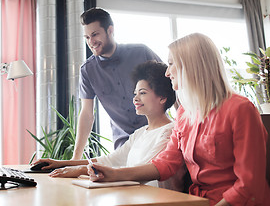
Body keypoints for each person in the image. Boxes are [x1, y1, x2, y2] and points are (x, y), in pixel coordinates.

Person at [87, 33, 270, 206]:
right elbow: (165, 163)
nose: (167, 73)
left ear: (192, 66)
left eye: (171, 64)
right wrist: (113, 174)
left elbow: (248, 183)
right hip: (197, 200)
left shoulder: (240, 109)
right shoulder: (184, 114)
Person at [32, 61, 184, 190]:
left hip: (155, 200)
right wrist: (61, 163)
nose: (135, 98)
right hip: (134, 196)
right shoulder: (140, 133)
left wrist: (81, 170)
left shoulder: (170, 131)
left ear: (162, 98)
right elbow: (110, 160)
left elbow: (142, 170)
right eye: (135, 93)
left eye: (142, 93)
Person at [72, 7, 161, 159]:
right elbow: (87, 114)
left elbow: (171, 84)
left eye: (95, 34)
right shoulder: (87, 70)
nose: (91, 42)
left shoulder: (141, 52)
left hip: (156, 135)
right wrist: (75, 158)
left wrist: (182, 127)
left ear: (110, 30)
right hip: (124, 145)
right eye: (86, 37)